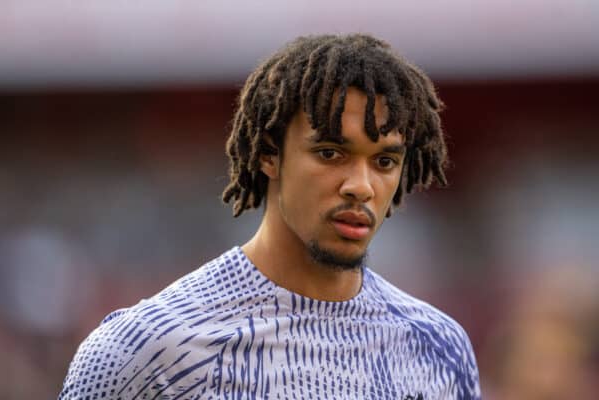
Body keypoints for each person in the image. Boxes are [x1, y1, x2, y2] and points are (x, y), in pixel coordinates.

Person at [59, 34, 481, 399]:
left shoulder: (439, 345)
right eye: (331, 154)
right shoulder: (146, 351)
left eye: (385, 161)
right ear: (269, 155)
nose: (361, 185)